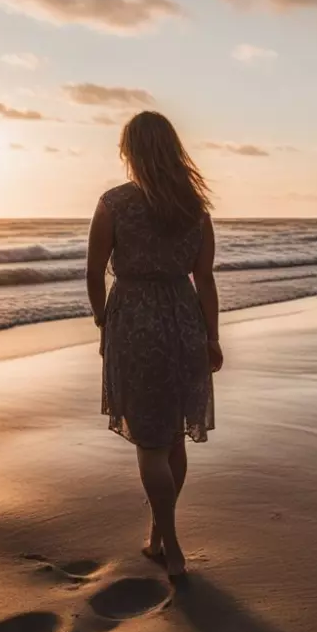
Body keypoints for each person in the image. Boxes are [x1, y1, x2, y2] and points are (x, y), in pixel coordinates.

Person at [86, 111, 223, 582]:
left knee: (149, 440)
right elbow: (203, 278)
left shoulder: (114, 203)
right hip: (184, 320)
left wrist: (105, 319)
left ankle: (173, 548)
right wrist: (212, 336)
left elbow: (92, 273)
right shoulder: (194, 207)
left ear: (131, 152)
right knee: (173, 437)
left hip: (135, 323)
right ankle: (159, 534)